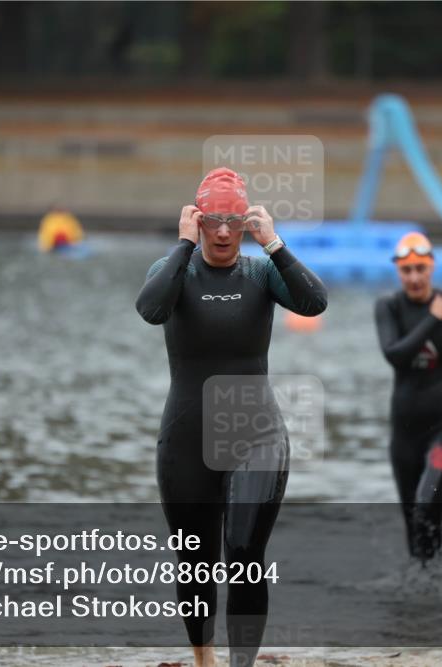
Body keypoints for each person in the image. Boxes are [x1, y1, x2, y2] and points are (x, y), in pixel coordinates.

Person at [135, 167, 327, 667]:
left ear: (247, 223)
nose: (223, 232)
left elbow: (314, 301)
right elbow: (151, 310)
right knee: (195, 563)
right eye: (213, 220)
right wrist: (181, 247)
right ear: (197, 220)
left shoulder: (261, 272)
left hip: (257, 433)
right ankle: (204, 658)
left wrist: (275, 244)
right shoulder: (174, 268)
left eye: (234, 221)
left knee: (243, 554)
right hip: (185, 438)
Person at [374, 231, 442, 564]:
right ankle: (426, 596)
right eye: (407, 271)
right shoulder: (389, 306)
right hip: (405, 434)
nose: (415, 277)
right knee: (414, 522)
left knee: (427, 502)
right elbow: (395, 355)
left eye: (421, 268)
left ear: (431, 267)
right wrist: (434, 318)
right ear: (398, 272)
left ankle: (434, 586)